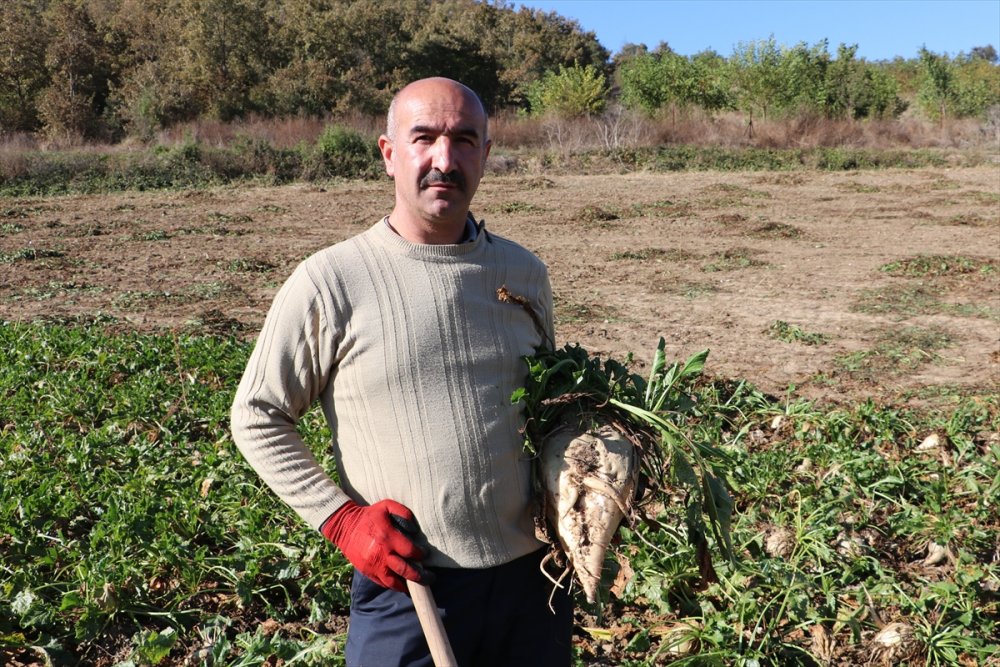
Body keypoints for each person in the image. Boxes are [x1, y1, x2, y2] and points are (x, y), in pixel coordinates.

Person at [230, 77, 573, 666]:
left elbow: (546, 408)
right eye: (424, 139)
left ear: (486, 155)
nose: (445, 159)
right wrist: (342, 522)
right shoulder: (332, 280)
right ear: (390, 155)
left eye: (465, 140)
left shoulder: (524, 273)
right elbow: (257, 414)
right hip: (411, 592)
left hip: (534, 584)